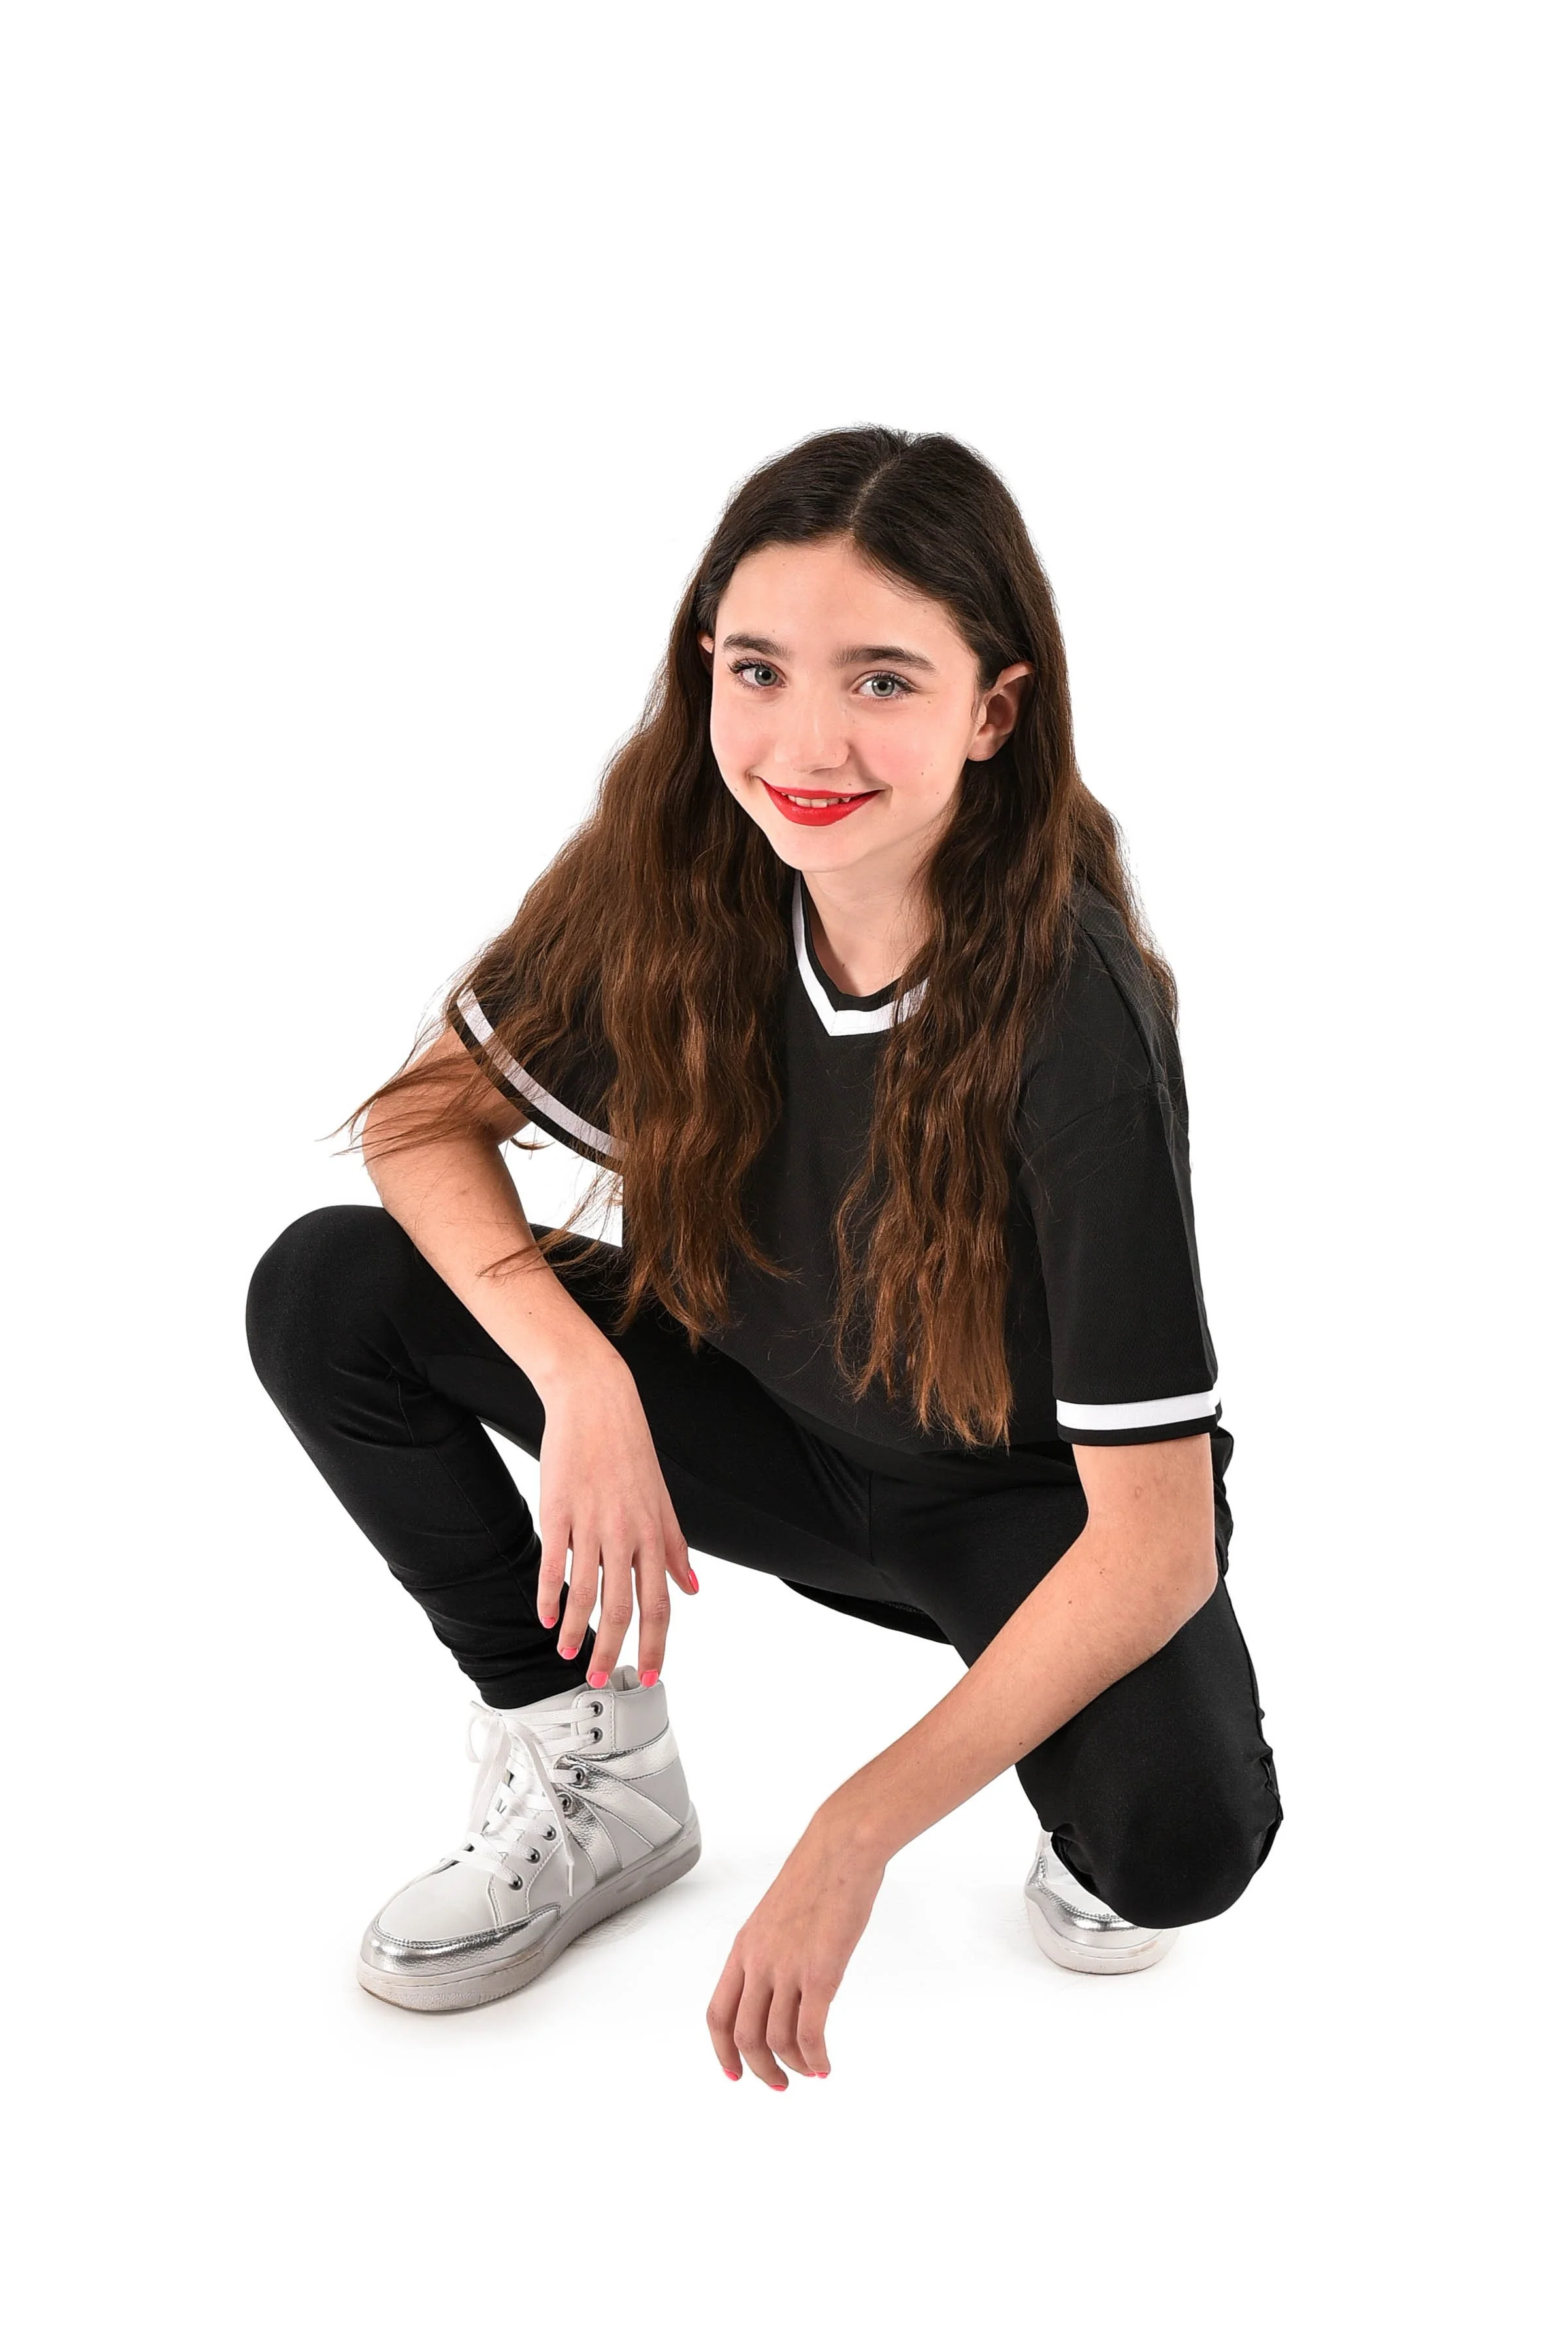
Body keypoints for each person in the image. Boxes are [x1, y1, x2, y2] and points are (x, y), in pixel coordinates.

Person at [246, 425, 1282, 2087]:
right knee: (328, 1290)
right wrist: (580, 1378)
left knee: (1177, 1842)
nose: (806, 742)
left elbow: (1155, 1546)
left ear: (993, 710)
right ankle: (599, 1773)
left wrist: (854, 1828)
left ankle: (1060, 1762)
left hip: (1019, 1510)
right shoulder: (680, 870)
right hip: (755, 1428)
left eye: (882, 679)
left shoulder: (1073, 1000)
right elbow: (423, 1126)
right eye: (758, 669)